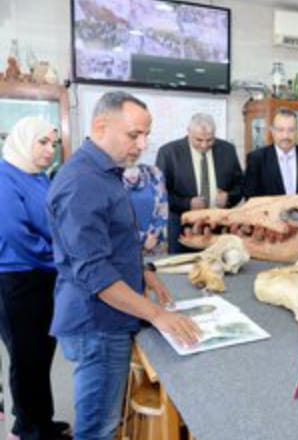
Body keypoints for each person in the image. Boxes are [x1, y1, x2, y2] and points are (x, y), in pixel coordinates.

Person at [47, 91, 201, 440]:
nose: (142, 145)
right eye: (134, 135)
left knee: (105, 420)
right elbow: (95, 273)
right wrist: (157, 315)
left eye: (146, 135)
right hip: (98, 324)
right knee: (98, 429)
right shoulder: (82, 182)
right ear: (101, 127)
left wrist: (143, 271)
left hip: (107, 319)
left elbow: (110, 241)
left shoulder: (103, 172)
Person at [0, 117, 70, 440]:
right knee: (25, 357)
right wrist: (59, 257)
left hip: (44, 275)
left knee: (40, 355)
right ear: (22, 141)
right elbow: (15, 235)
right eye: (42, 142)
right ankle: (28, 430)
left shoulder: (38, 176)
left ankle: (41, 421)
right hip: (18, 279)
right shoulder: (4, 177)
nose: (49, 150)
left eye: (52, 144)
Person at [156, 113, 244, 253]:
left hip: (219, 229)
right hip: (183, 231)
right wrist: (187, 203)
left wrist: (229, 197)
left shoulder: (228, 150)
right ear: (188, 132)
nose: (204, 145)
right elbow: (160, 195)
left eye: (210, 140)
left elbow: (241, 185)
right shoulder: (168, 153)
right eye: (199, 140)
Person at [244, 108, 298, 197]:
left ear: (297, 132)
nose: (285, 136)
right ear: (272, 131)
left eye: (291, 130)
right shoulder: (257, 160)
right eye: (280, 130)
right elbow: (251, 198)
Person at [122, 163, 169, 255]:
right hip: (123, 246)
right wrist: (140, 238)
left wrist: (153, 234)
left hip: (154, 245)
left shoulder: (153, 173)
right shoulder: (109, 177)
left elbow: (163, 207)